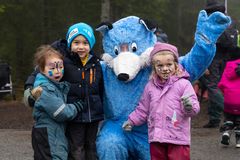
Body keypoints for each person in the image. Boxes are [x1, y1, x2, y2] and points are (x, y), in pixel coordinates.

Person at [24, 23, 104, 160]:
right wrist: (30, 90)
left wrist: (102, 107)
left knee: (91, 146)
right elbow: (41, 72)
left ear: (91, 45)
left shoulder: (96, 63)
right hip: (73, 116)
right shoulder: (63, 62)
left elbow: (101, 87)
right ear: (69, 44)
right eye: (76, 42)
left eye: (85, 43)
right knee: (75, 148)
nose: (81, 46)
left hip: (93, 114)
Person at [122, 42, 200, 160]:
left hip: (177, 138)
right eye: (160, 66)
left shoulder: (184, 84)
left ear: (176, 64)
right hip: (156, 138)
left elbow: (193, 110)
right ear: (154, 67)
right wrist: (132, 121)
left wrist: (189, 106)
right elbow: (143, 109)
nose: (165, 69)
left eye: (169, 64)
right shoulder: (150, 86)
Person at [30, 45, 85, 160]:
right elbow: (61, 112)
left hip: (54, 132)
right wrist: (76, 106)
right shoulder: (44, 89)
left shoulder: (56, 86)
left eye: (60, 67)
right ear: (42, 69)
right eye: (52, 68)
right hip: (47, 133)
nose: (57, 71)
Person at [201, 0, 238, 128]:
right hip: (227, 59)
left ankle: (230, 111)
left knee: (212, 86)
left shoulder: (212, 23)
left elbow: (205, 44)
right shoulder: (229, 22)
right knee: (220, 86)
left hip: (214, 59)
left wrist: (204, 64)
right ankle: (214, 118)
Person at [218, 58, 240, 148]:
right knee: (239, 121)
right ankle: (238, 141)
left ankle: (226, 132)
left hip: (229, 99)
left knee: (229, 118)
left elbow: (221, 84)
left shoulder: (229, 66)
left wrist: (226, 93)